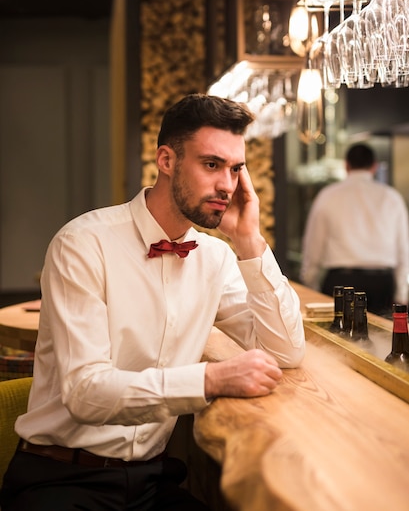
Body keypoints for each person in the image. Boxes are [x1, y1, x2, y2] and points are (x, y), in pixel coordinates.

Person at [1, 93, 305, 511]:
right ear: (167, 160)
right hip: (61, 479)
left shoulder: (214, 257)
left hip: (150, 480)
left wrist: (248, 240)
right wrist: (211, 379)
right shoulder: (83, 243)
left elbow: (285, 350)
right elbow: (85, 393)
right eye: (212, 165)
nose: (226, 185)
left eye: (236, 170)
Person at [300, 142, 409, 317]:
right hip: (382, 284)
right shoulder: (392, 198)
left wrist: (310, 284)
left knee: (338, 341)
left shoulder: (328, 195)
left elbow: (313, 245)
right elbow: (404, 249)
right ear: (374, 166)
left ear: (346, 165)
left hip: (341, 283)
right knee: (382, 341)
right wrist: (402, 293)